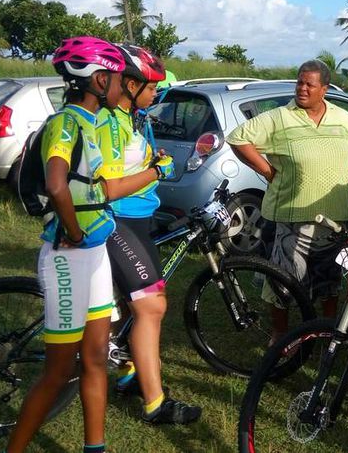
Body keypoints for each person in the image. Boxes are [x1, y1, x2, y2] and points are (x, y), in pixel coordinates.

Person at [6, 37, 174, 453]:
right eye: (119, 78)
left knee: (96, 360)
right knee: (59, 372)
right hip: (69, 256)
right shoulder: (66, 122)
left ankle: (94, 448)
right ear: (100, 79)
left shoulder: (93, 122)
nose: (123, 85)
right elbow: (56, 183)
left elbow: (104, 186)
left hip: (94, 253)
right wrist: (75, 232)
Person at [227, 60, 348, 342]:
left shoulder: (343, 118)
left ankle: (326, 331)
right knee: (283, 282)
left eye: (309, 84)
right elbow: (238, 137)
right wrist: (267, 170)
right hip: (291, 219)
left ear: (324, 89)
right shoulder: (279, 117)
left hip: (334, 218)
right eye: (299, 82)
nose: (302, 88)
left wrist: (343, 172)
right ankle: (281, 334)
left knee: (330, 279)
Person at [100, 44, 201, 424]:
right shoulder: (109, 122)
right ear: (129, 84)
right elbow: (107, 187)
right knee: (151, 306)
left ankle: (130, 370)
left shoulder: (132, 117)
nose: (157, 92)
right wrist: (155, 172)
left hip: (139, 218)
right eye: (151, 85)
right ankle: (155, 403)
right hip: (115, 219)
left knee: (134, 304)